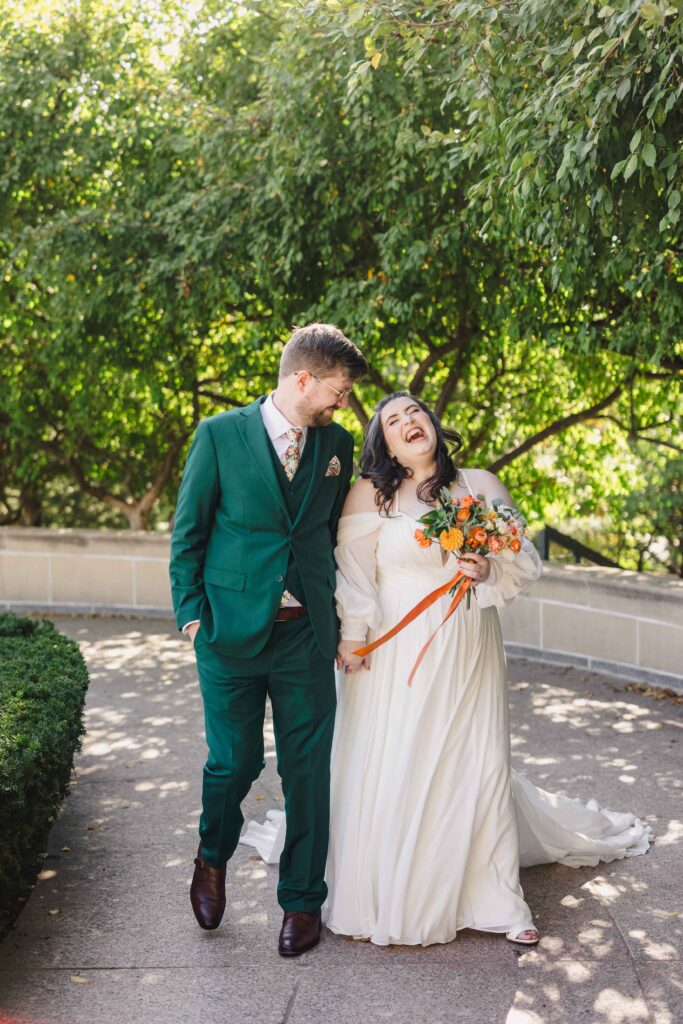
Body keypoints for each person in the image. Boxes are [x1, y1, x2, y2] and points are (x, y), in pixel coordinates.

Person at [326, 391, 652, 948]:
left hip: (468, 641)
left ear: (432, 422)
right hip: (395, 649)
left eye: (415, 412)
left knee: (474, 757)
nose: (409, 422)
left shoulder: (479, 484)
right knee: (403, 758)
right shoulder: (369, 496)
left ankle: (496, 896)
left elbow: (524, 560)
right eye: (393, 420)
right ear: (383, 443)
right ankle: (394, 885)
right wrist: (354, 638)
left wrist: (488, 566)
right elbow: (353, 574)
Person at [169, 323, 367, 957]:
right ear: (302, 378)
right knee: (234, 763)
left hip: (306, 634)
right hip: (228, 632)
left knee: (309, 772)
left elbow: (344, 534)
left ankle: (302, 902)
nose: (343, 404)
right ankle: (211, 855)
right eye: (337, 391)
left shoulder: (337, 445)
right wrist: (193, 616)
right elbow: (187, 534)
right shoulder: (219, 436)